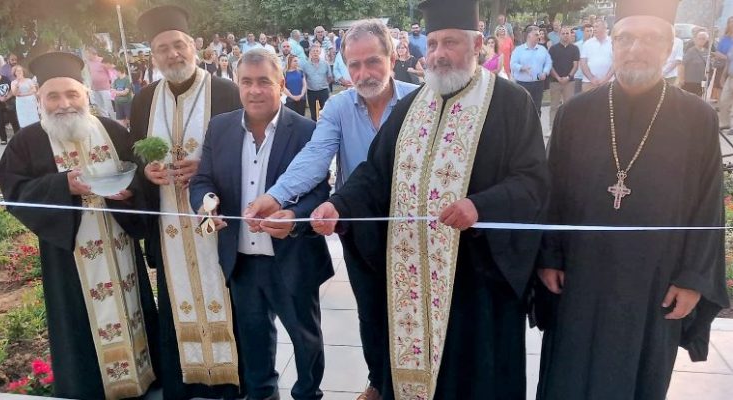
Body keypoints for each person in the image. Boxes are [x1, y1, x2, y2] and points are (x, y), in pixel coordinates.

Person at [312, 2, 548, 398]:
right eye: (433, 43)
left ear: (477, 45)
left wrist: (480, 206)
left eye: (450, 42)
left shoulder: (511, 102)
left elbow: (533, 182)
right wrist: (339, 205)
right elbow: (374, 175)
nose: (438, 53)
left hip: (478, 280)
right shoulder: (411, 107)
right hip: (413, 276)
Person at [536, 3, 730, 400]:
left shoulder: (697, 118)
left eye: (649, 39)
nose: (635, 49)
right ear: (613, 44)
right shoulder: (575, 113)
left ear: (668, 48)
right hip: (582, 276)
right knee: (568, 373)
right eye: (625, 38)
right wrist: (549, 256)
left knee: (640, 378)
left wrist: (693, 278)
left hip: (655, 280)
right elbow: (552, 192)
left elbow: (708, 206)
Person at [244, 19, 418, 400]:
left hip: (412, 230)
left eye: (373, 62)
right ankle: (378, 382)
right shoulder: (339, 107)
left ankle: (417, 384)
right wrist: (275, 197)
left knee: (413, 312)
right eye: (354, 65)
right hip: (359, 229)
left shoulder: (419, 101)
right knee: (370, 311)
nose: (364, 73)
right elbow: (315, 157)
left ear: (392, 59)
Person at [0, 51, 160, 399]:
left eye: (71, 94)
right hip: (68, 256)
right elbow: (15, 191)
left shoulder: (113, 130)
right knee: (79, 322)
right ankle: (91, 388)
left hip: (119, 247)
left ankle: (143, 377)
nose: (64, 104)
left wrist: (130, 190)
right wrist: (62, 185)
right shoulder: (28, 140)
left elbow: (139, 175)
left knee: (132, 310)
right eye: (53, 96)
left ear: (85, 93)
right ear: (39, 99)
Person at [190, 48, 333, 400]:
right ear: (237, 84)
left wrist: (295, 219)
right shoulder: (220, 128)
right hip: (241, 261)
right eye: (247, 82)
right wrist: (207, 203)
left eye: (264, 82)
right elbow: (202, 179)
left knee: (305, 340)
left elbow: (319, 191)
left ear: (281, 84)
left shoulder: (306, 130)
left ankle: (308, 394)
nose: (255, 90)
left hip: (292, 258)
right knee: (253, 343)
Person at [130, 6, 244, 400]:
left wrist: (206, 167)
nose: (173, 54)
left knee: (225, 290)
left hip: (214, 218)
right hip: (168, 224)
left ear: (193, 45)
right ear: (153, 55)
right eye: (163, 48)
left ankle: (232, 381)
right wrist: (147, 173)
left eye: (178, 44)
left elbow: (247, 152)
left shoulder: (226, 91)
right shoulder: (144, 100)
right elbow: (134, 156)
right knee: (176, 296)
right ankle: (185, 381)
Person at [511, 26, 552, 114]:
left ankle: (536, 123)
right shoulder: (518, 50)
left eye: (539, 35)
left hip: (538, 84)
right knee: (522, 109)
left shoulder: (542, 49)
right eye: (536, 35)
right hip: (522, 84)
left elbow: (548, 63)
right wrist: (522, 68)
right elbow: (513, 64)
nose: (539, 37)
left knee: (536, 109)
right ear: (529, 36)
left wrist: (545, 72)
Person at [548, 26, 580, 125]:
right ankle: (552, 127)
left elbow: (575, 65)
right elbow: (550, 65)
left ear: (570, 34)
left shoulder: (575, 49)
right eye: (563, 33)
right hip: (555, 82)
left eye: (567, 33)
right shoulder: (553, 49)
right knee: (554, 106)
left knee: (568, 106)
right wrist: (558, 77)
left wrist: (568, 77)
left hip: (569, 82)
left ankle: (568, 127)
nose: (565, 35)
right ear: (559, 35)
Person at [580, 19, 613, 91]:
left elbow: (616, 63)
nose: (594, 29)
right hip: (589, 82)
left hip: (609, 82)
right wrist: (591, 78)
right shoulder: (587, 43)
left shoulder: (613, 42)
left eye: (597, 27)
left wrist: (606, 78)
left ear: (604, 28)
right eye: (594, 27)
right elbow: (583, 63)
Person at [301, 45, 332, 121]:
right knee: (313, 112)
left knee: (326, 111)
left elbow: (329, 77)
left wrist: (325, 84)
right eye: (313, 51)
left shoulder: (325, 64)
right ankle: (314, 125)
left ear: (320, 52)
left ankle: (325, 125)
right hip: (311, 91)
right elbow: (304, 79)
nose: (315, 53)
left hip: (323, 91)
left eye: (317, 51)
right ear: (310, 53)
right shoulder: (305, 65)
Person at [679, 31, 710, 96]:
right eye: (699, 38)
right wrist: (681, 79)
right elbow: (682, 64)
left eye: (703, 39)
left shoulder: (707, 52)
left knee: (699, 98)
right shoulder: (691, 51)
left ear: (706, 40)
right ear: (695, 39)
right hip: (689, 82)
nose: (701, 40)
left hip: (702, 81)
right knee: (687, 98)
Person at [85, 48, 114, 118]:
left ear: (92, 54)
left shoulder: (102, 60)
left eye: (87, 54)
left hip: (105, 88)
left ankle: (114, 120)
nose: (86, 55)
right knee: (101, 107)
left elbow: (111, 71)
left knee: (109, 106)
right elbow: (89, 72)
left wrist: (112, 83)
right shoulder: (88, 62)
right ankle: (106, 120)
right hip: (95, 88)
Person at [572, 23, 593, 94]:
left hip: (591, 77)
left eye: (591, 31)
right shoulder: (576, 46)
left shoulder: (596, 45)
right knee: (576, 97)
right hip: (578, 76)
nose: (589, 33)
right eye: (587, 31)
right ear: (583, 32)